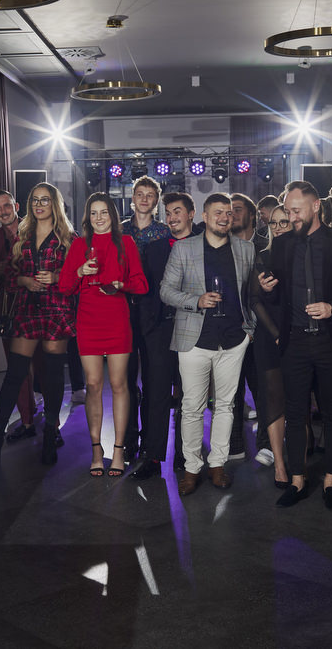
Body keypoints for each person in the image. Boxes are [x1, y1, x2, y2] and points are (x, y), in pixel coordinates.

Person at [259, 180, 332, 510]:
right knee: (294, 414)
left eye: (296, 211)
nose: (291, 218)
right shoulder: (281, 245)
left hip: (331, 341)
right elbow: (277, 296)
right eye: (288, 212)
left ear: (316, 206)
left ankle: (331, 482)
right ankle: (297, 481)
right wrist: (267, 289)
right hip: (295, 343)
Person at [161, 193, 255, 495]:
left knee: (226, 406)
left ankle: (217, 464)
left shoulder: (246, 249)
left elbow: (251, 294)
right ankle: (192, 468)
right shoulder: (184, 248)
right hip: (194, 340)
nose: (224, 218)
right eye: (218, 213)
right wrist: (196, 301)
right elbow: (166, 291)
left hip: (233, 340)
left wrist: (249, 331)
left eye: (228, 213)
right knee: (192, 407)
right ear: (204, 216)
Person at [0, 182, 75, 468]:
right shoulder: (22, 236)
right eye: (35, 200)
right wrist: (23, 280)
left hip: (56, 310)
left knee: (52, 376)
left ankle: (49, 436)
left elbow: (77, 277)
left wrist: (57, 277)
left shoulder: (68, 237)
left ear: (54, 204)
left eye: (45, 200)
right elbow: (10, 277)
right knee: (15, 376)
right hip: (27, 310)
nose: (39, 204)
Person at [60, 193, 147, 477]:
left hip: (117, 320)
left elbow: (141, 284)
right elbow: (64, 287)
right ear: (88, 217)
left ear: (112, 214)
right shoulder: (79, 245)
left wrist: (121, 284)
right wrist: (79, 270)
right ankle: (97, 450)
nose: (99, 218)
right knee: (93, 384)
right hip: (88, 320)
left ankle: (119, 450)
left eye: (104, 212)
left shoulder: (126, 243)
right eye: (93, 213)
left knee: (120, 384)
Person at [132, 192, 197, 480]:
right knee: (156, 393)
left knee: (189, 395)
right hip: (160, 330)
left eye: (177, 211)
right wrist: (149, 328)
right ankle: (153, 456)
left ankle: (186, 453)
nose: (171, 218)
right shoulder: (155, 248)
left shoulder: (204, 245)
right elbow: (146, 292)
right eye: (168, 213)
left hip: (194, 328)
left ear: (191, 214)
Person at [122, 175, 172, 461]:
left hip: (155, 311)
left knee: (154, 381)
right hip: (124, 311)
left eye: (149, 194)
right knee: (125, 380)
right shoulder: (119, 230)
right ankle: (128, 439)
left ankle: (151, 445)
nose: (144, 199)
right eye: (139, 194)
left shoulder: (164, 233)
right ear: (132, 198)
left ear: (156, 200)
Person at [0, 189, 38, 440]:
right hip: (11, 310)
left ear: (16, 206)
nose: (3, 211)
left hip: (39, 307)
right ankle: (27, 422)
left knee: (43, 367)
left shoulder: (36, 229)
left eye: (7, 205)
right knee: (18, 370)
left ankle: (52, 424)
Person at [249, 204, 292, 487]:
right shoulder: (262, 256)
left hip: (299, 334)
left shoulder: (305, 254)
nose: (277, 228)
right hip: (269, 335)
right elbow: (254, 299)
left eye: (283, 222)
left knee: (298, 400)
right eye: (273, 223)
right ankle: (279, 464)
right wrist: (277, 334)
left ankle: (299, 460)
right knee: (274, 400)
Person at [228, 192, 265, 458]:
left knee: (263, 390)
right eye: (229, 210)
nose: (232, 214)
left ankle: (266, 444)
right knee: (231, 392)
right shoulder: (222, 245)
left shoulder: (265, 245)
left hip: (262, 330)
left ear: (252, 215)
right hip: (232, 329)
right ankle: (235, 445)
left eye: (238, 209)